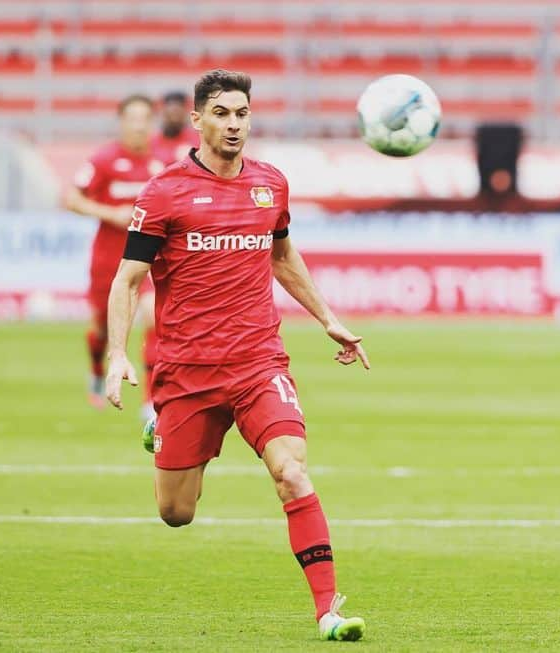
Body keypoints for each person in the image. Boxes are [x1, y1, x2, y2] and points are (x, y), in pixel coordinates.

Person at [103, 69, 370, 642]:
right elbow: (128, 281)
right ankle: (160, 425)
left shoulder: (270, 184)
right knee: (176, 513)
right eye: (221, 113)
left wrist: (329, 319)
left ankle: (328, 609)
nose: (233, 124)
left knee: (292, 473)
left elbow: (282, 254)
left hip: (258, 365)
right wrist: (116, 354)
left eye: (241, 113)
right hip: (188, 374)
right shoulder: (164, 192)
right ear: (197, 119)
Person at [63, 94, 168, 420]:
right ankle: (96, 370)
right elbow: (71, 198)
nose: (138, 125)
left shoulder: (162, 162)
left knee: (154, 317)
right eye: (132, 118)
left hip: (149, 259)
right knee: (103, 330)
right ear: (122, 122)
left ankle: (150, 400)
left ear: (152, 123)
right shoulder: (105, 160)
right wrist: (110, 213)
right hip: (108, 259)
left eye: (144, 118)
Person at [152, 90, 201, 163]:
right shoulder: (152, 142)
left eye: (177, 113)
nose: (174, 118)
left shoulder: (197, 140)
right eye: (171, 113)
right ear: (163, 113)